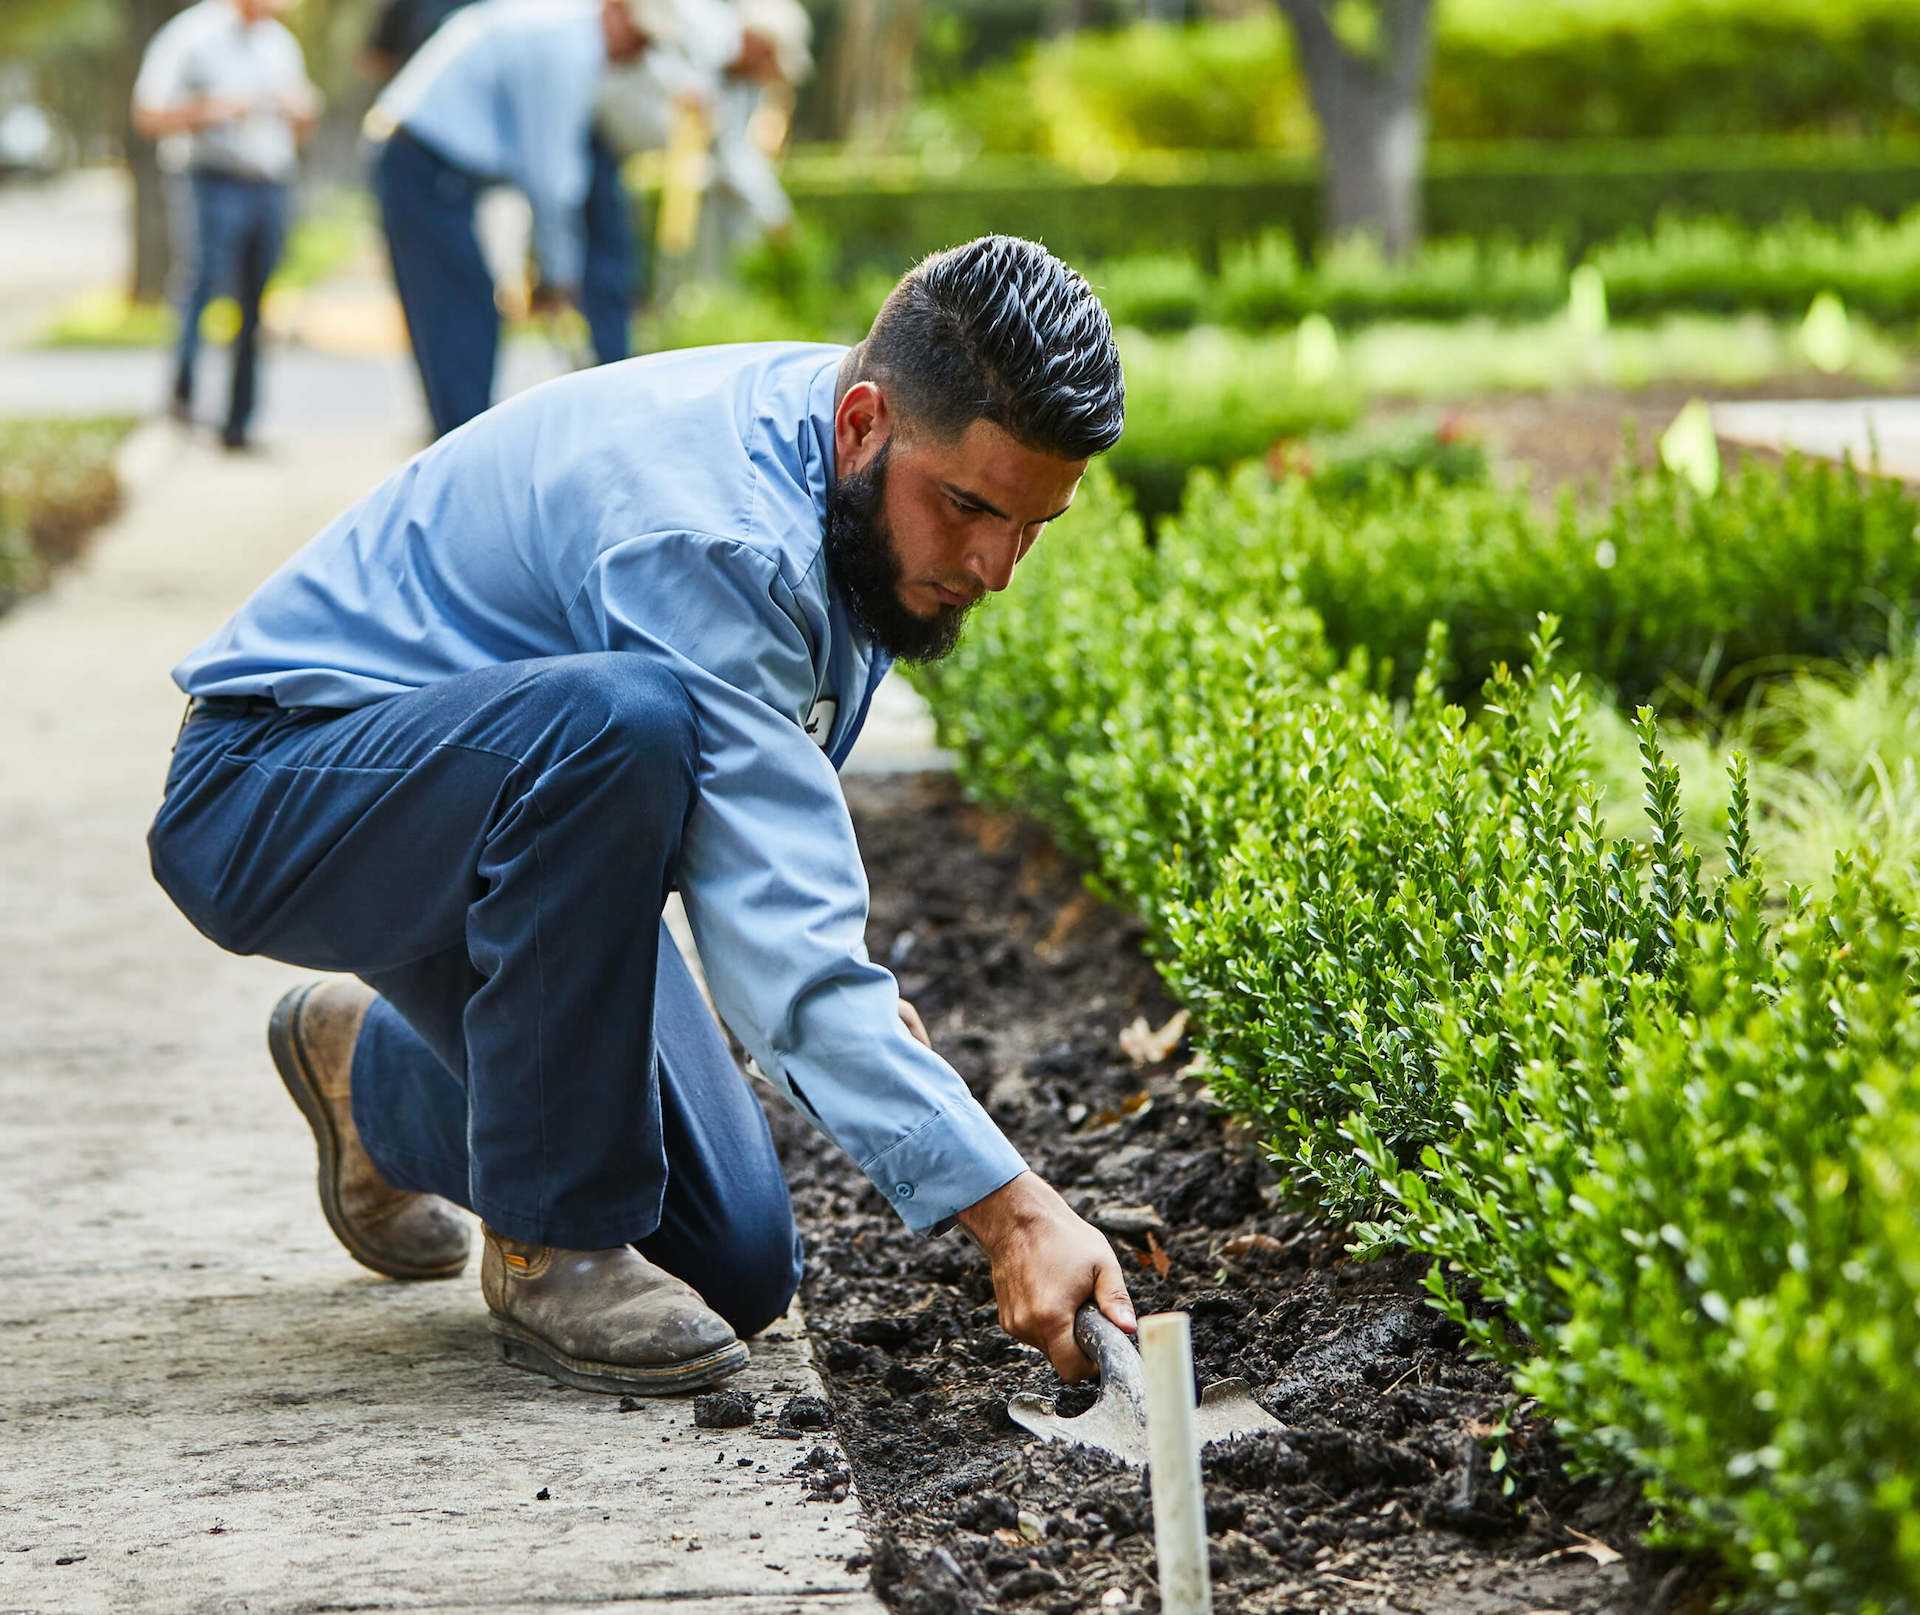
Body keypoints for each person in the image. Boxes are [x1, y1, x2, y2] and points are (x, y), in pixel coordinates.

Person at [148, 236, 1137, 1397]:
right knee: (627, 722)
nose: (996, 565)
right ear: (865, 422)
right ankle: (549, 1247)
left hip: (497, 818)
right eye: (970, 508)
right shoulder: (716, 532)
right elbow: (781, 963)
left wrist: (875, 1047)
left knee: (735, 1259)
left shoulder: (858, 465)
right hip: (281, 786)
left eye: (1032, 525)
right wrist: (1015, 1216)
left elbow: (767, 856)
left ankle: (369, 1078)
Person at [363, 0, 678, 439]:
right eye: (638, 37)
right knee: (461, 316)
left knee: (461, 313)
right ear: (615, 11)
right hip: (420, 161)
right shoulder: (567, 47)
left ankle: (460, 441)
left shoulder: (559, 26)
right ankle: (463, 450)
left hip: (427, 162)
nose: (637, 52)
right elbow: (551, 176)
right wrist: (561, 270)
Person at [132, 0, 321, 452]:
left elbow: (302, 124)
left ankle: (239, 422)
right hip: (211, 179)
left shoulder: (280, 44)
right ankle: (184, 395)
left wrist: (301, 113)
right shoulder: (191, 36)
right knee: (204, 284)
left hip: (269, 182)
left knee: (256, 299)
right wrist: (211, 110)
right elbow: (149, 115)